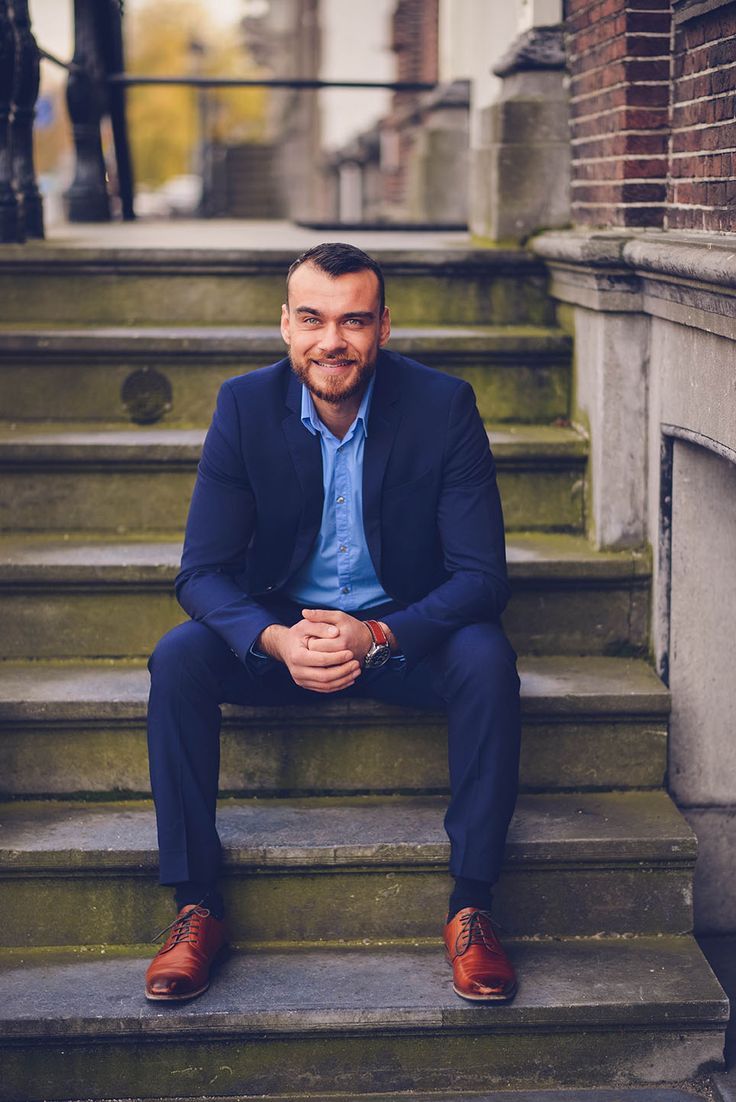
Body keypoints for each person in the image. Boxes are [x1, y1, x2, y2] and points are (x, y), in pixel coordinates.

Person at [144, 242, 521, 1004]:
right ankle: (195, 908)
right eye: (312, 318)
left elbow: (482, 578)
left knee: (487, 658)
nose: (332, 341)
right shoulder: (244, 407)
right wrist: (275, 639)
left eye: (353, 321)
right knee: (178, 659)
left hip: (403, 634)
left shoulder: (443, 405)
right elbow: (201, 572)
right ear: (285, 324)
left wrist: (378, 636)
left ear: (384, 326)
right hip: (287, 636)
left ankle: (472, 906)